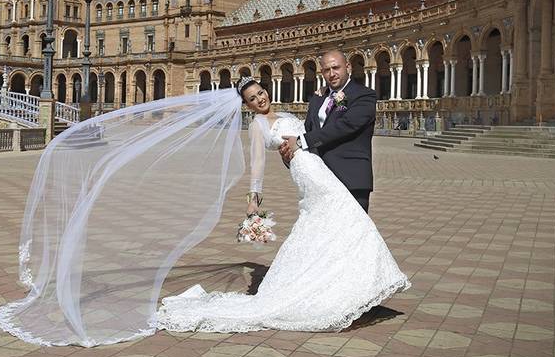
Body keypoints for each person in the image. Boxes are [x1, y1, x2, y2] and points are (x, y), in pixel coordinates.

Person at [155, 76, 409, 333]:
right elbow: (257, 165)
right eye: (252, 99)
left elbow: (314, 129)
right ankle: (345, 288)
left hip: (320, 168)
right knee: (348, 217)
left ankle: (338, 286)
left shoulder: (285, 113)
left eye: (261, 92)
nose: (260, 99)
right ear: (247, 105)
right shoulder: (257, 125)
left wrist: (321, 95)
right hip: (308, 173)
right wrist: (253, 200)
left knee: (332, 225)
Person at [280, 49, 375, 212]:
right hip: (319, 179)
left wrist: (300, 141)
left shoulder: (364, 95)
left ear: (348, 67)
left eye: (336, 68)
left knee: (353, 234)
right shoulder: (318, 98)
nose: (332, 74)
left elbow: (346, 125)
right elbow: (309, 128)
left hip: (350, 177)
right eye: (326, 70)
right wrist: (291, 153)